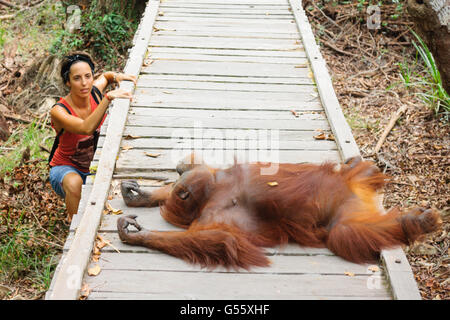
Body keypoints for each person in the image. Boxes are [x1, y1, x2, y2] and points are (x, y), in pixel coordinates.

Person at [49, 51, 136, 221]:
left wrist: (116, 76)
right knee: (75, 184)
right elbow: (85, 128)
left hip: (94, 166)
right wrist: (108, 98)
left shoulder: (95, 92)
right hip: (65, 169)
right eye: (77, 78)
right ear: (68, 82)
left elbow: (106, 76)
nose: (84, 83)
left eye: (88, 76)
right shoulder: (59, 111)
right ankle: (75, 226)